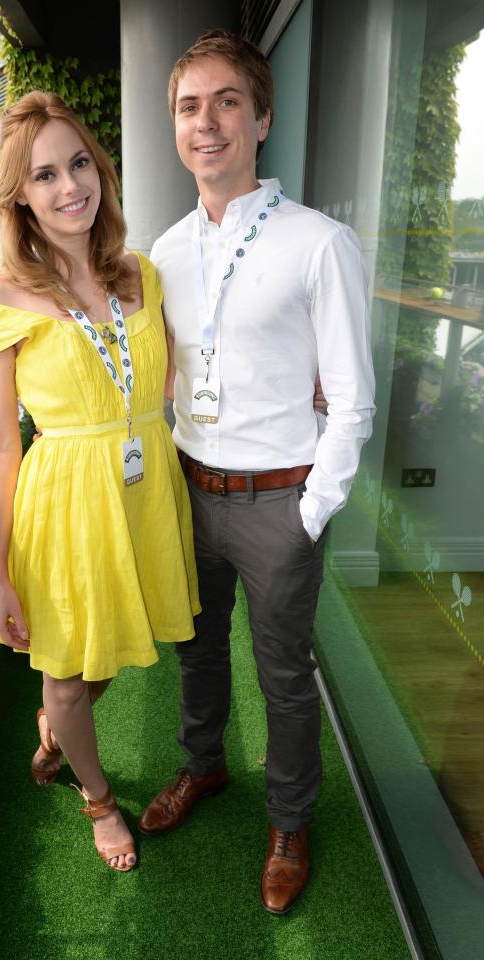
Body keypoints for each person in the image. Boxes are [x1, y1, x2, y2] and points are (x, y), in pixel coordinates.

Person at [136, 30, 376, 914]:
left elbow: (351, 398)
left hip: (279, 502)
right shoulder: (162, 250)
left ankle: (288, 821)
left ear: (261, 117)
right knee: (195, 656)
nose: (207, 124)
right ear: (175, 128)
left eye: (226, 102)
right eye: (189, 107)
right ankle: (203, 769)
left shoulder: (319, 243)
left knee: (282, 677)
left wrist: (309, 513)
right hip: (190, 493)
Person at [0, 91, 201, 873]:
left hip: (142, 492)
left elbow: (188, 372)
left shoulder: (142, 274)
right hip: (64, 500)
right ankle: (97, 800)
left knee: (101, 659)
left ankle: (52, 730)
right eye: (44, 176)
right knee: (67, 671)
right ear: (19, 199)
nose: (70, 187)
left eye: (79, 164)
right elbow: (0, 445)